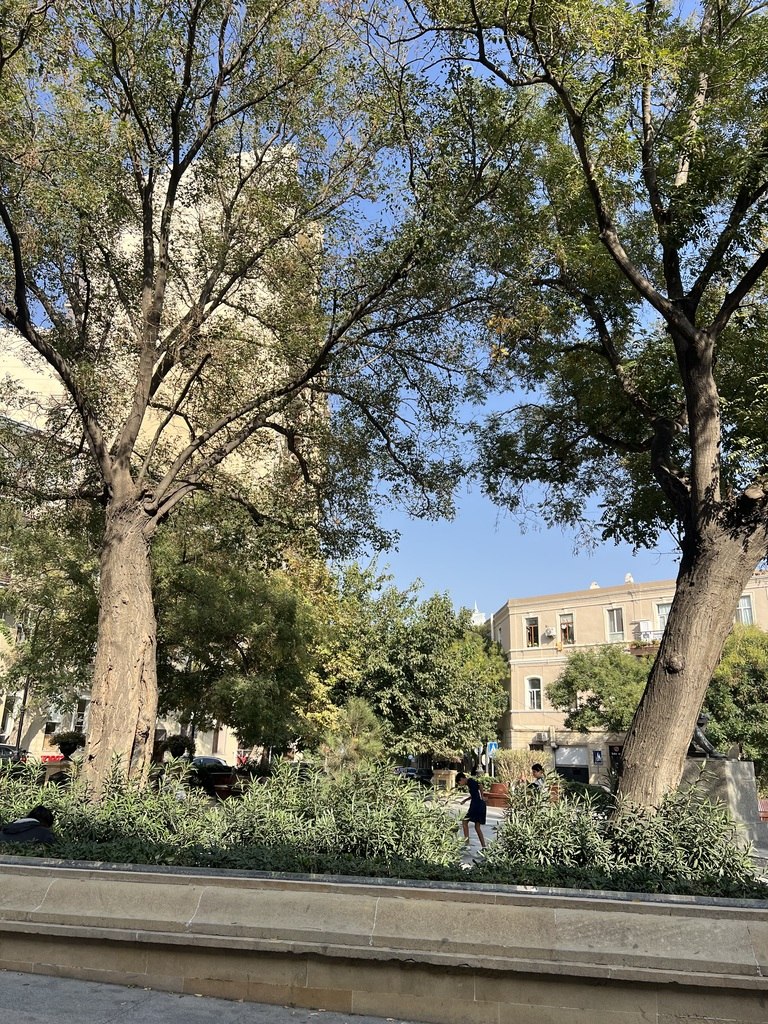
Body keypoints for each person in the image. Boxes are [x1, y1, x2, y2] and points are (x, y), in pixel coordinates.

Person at [455, 772, 486, 850]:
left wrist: (482, 796)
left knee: (464, 822)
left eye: (459, 783)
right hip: (480, 805)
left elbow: (480, 785)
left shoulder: (470, 781)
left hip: (476, 805)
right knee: (477, 827)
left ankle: (467, 845)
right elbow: (474, 794)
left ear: (461, 779)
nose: (460, 785)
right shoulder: (470, 783)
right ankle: (484, 847)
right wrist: (465, 800)